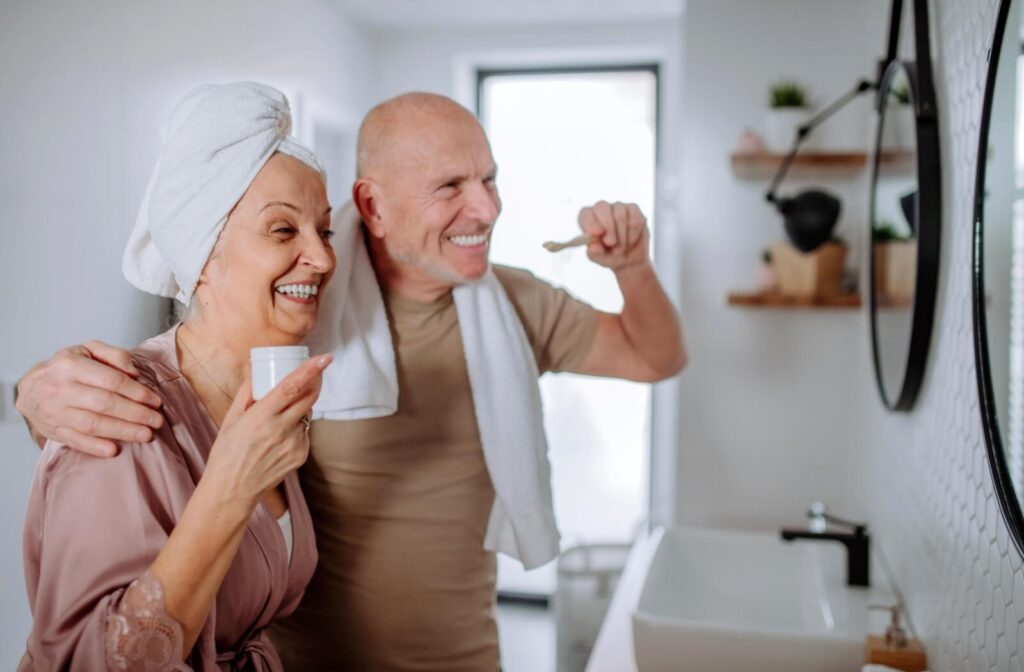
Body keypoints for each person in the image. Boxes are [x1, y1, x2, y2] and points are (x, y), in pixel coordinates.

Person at [17, 92, 687, 671]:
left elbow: (654, 358)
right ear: (374, 204)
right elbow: (174, 376)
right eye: (451, 186)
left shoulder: (508, 306)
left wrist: (632, 267)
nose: (486, 208)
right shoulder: (293, 323)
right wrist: (31, 393)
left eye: (490, 179)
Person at [18, 82, 336, 671]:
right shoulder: (115, 413)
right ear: (202, 258)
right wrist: (232, 487)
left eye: (326, 230)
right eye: (284, 231)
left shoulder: (263, 398)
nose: (322, 258)